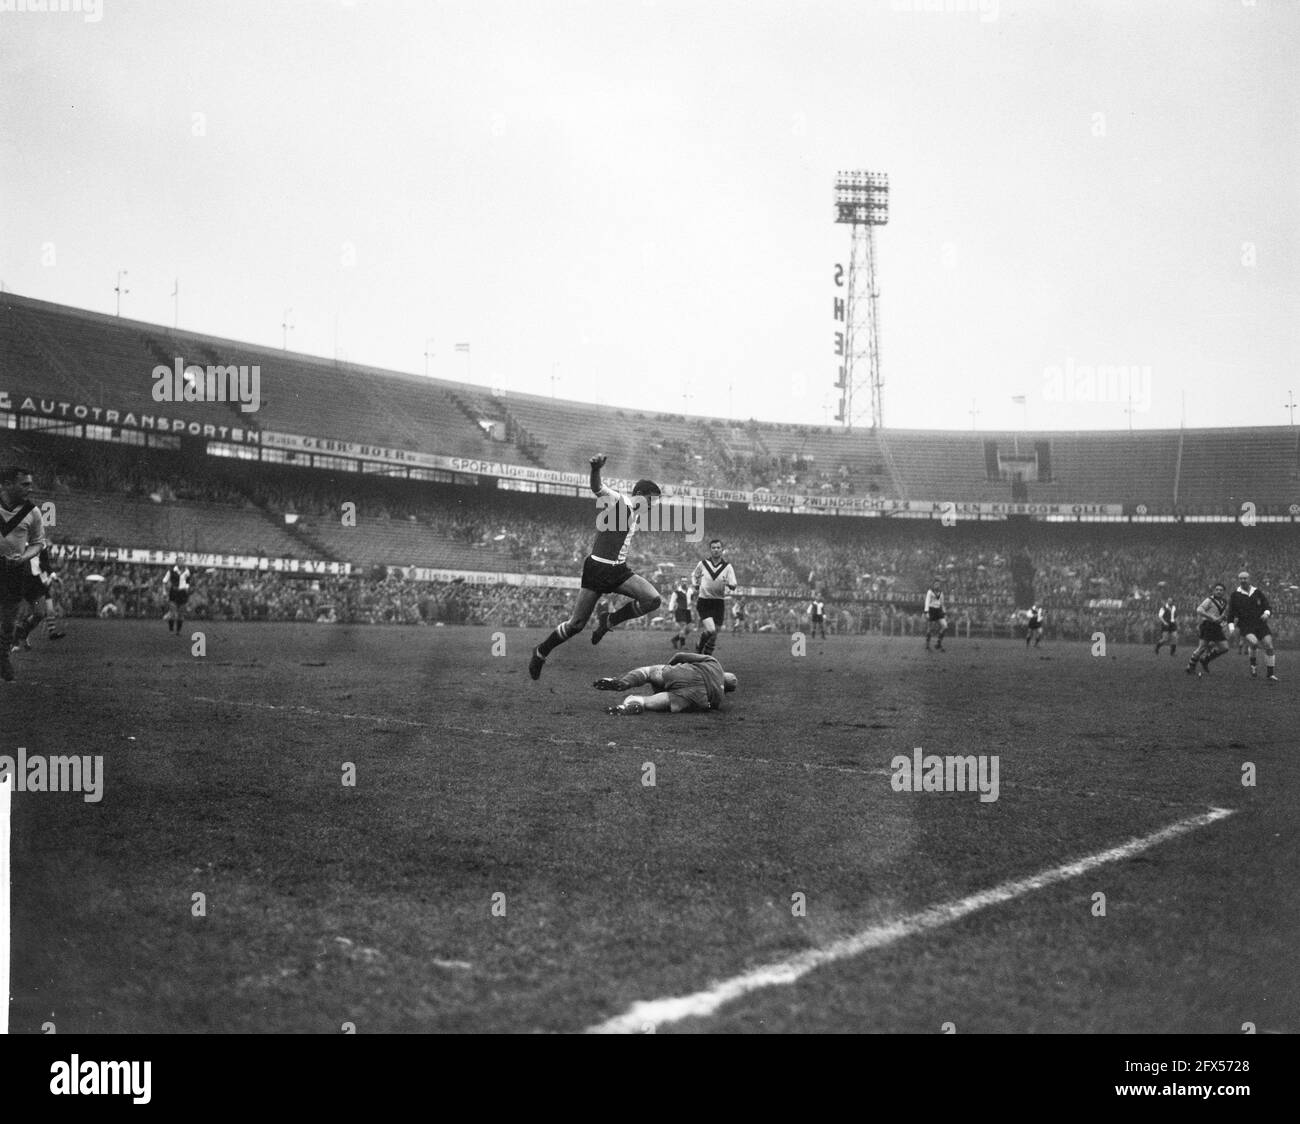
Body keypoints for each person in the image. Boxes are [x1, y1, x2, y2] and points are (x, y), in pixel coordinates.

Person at [528, 455, 662, 679]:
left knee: (653, 599)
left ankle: (608, 620)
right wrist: (595, 469)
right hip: (597, 570)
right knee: (576, 624)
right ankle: (541, 651)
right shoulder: (622, 502)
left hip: (618, 570)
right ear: (640, 496)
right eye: (652, 500)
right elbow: (598, 488)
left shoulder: (636, 514)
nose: (653, 505)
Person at [0, 466, 47, 682]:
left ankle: (3, 655)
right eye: (24, 484)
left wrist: (23, 557)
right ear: (8, 484)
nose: (30, 488)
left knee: (9, 619)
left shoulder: (33, 512)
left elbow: (38, 543)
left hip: (15, 569)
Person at [593, 651, 738, 714]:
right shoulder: (719, 698)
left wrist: (667, 669)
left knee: (648, 672)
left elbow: (679, 655)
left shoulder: (715, 663)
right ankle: (632, 703)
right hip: (697, 696)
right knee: (647, 702)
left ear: (724, 674)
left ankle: (623, 683)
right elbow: (705, 707)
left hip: (688, 674)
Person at [1226, 570, 1278, 683]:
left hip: (1260, 624)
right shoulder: (1235, 595)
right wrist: (1231, 628)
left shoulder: (1257, 592)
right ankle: (1253, 666)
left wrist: (1266, 613)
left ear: (1249, 579)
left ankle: (1270, 674)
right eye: (1241, 578)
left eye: (1245, 578)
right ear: (1238, 580)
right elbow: (1230, 614)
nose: (1243, 580)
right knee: (1254, 643)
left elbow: (1267, 606)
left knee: (1269, 646)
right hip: (1246, 625)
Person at [12, 545, 66, 651]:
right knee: (23, 613)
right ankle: (15, 641)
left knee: (39, 613)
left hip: (36, 584)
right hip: (22, 582)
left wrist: (53, 575)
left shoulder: (41, 544)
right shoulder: (20, 539)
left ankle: (22, 635)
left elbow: (45, 562)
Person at [691, 538, 737, 656]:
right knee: (711, 630)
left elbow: (733, 584)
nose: (716, 550)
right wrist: (695, 584)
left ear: (722, 550)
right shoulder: (703, 564)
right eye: (713, 548)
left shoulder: (727, 567)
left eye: (718, 548)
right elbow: (694, 575)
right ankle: (699, 645)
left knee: (714, 635)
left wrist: (729, 584)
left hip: (718, 602)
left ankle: (707, 659)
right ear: (710, 550)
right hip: (704, 601)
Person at [1185, 582, 1230, 677]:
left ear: (1224, 592)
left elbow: (1221, 614)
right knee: (1202, 647)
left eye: (1221, 590)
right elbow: (1199, 610)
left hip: (1217, 627)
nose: (1219, 591)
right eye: (1217, 590)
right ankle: (1190, 666)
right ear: (1213, 591)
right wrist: (1211, 618)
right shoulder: (1209, 600)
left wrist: (1223, 620)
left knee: (1224, 647)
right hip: (1208, 625)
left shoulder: (1224, 602)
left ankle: (1206, 659)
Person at [164, 555, 193, 634]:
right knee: (173, 612)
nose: (180, 562)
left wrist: (187, 587)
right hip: (173, 592)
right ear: (176, 562)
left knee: (181, 613)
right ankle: (171, 629)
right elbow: (165, 581)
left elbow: (188, 581)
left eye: (182, 561)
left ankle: (178, 631)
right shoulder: (171, 571)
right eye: (179, 561)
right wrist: (165, 591)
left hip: (182, 593)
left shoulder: (187, 571)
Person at [668, 580, 693, 650]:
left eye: (685, 581)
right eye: (682, 581)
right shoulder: (676, 592)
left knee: (689, 629)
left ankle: (675, 639)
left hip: (688, 611)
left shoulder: (690, 590)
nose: (684, 583)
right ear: (680, 582)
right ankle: (683, 645)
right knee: (683, 627)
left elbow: (692, 599)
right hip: (680, 611)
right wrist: (670, 611)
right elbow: (672, 602)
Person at [924, 582, 947, 651]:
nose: (937, 586)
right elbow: (927, 601)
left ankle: (938, 643)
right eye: (935, 584)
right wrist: (926, 612)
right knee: (930, 628)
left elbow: (942, 604)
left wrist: (944, 613)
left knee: (945, 626)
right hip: (931, 610)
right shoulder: (930, 592)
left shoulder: (941, 593)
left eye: (938, 585)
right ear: (933, 585)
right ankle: (927, 645)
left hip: (938, 610)